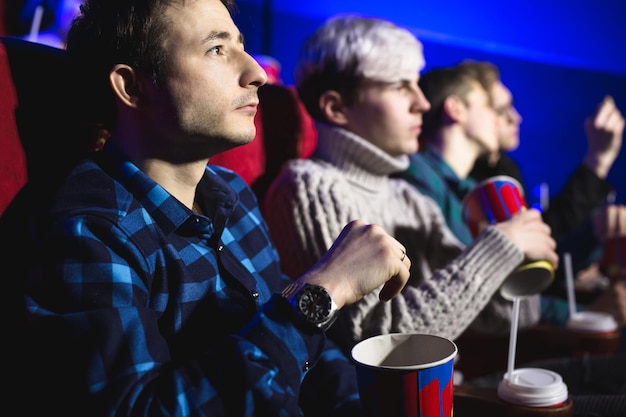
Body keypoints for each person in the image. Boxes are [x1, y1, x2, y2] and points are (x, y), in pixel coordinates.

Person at [2, 1, 416, 415]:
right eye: (216, 49)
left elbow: (306, 359)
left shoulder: (233, 195)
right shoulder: (89, 231)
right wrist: (323, 291)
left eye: (241, 45)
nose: (256, 73)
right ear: (131, 87)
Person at [262, 14, 558, 356]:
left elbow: (507, 316)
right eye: (401, 86)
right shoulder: (309, 187)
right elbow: (378, 344)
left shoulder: (410, 200)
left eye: (417, 84)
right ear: (337, 107)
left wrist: (521, 261)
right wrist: (501, 246)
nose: (423, 103)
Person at [398, 63, 626, 330]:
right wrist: (577, 313)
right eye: (490, 108)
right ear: (456, 109)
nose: (503, 119)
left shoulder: (468, 186)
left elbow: (522, 267)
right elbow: (481, 288)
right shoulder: (420, 179)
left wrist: (592, 233)